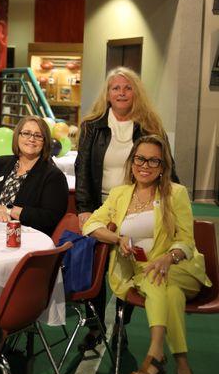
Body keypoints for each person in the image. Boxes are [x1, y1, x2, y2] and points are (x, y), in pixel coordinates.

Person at [83, 135, 210, 374]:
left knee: (157, 277)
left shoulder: (176, 193)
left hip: (180, 267)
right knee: (168, 292)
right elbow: (91, 224)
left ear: (163, 167)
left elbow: (187, 239)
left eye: (154, 161)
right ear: (132, 162)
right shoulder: (120, 194)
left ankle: (154, 353)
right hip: (139, 272)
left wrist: (167, 257)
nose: (145, 165)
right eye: (140, 158)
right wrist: (117, 238)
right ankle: (182, 364)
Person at [74, 66, 179, 351]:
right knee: (92, 266)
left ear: (136, 93)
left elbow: (167, 169)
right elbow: (82, 169)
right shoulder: (91, 126)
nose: (121, 93)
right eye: (115, 88)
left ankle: (121, 322)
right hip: (101, 204)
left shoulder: (151, 126)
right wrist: (84, 208)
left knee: (132, 263)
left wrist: (171, 206)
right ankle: (95, 324)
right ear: (107, 94)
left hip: (138, 205)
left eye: (127, 88)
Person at [0, 116, 68, 236]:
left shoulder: (54, 176)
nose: (31, 139)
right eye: (26, 133)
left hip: (27, 239)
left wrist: (9, 210)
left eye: (38, 136)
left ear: (45, 141)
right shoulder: (0, 163)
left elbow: (49, 217)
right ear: (17, 136)